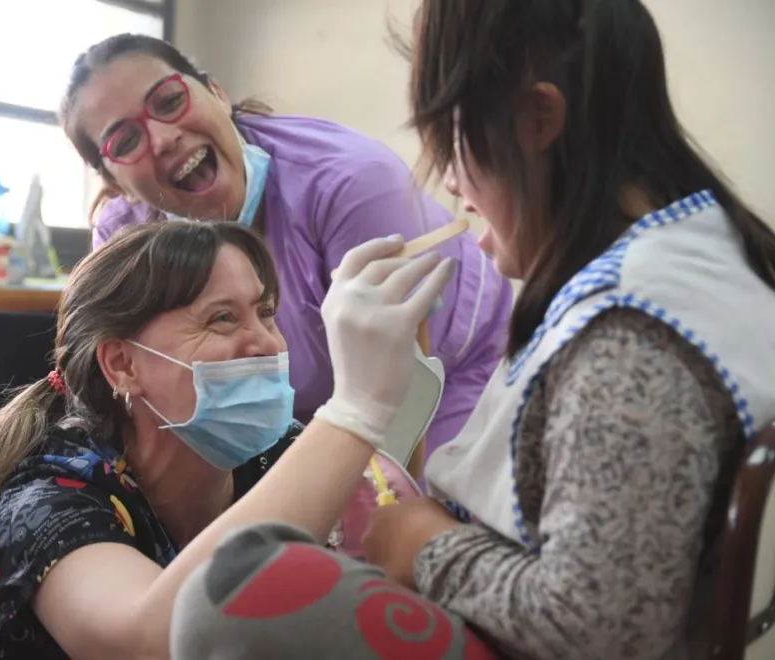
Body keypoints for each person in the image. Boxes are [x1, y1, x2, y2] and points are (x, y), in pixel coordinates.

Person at [167, 1, 775, 659]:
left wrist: (421, 541)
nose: (451, 182)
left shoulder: (631, 335)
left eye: (447, 140)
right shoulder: (718, 249)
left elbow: (600, 627)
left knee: (223, 591)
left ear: (538, 119)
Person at [0, 219, 465, 660]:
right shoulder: (50, 502)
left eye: (265, 313)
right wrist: (357, 409)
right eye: (223, 319)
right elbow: (150, 642)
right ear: (122, 365)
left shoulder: (278, 457)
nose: (266, 343)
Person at [60, 33, 513, 469]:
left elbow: (400, 393)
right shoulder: (127, 238)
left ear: (217, 93)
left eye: (169, 100)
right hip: (307, 415)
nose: (162, 138)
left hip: (450, 369)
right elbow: (137, 398)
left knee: (402, 522)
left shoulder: (349, 182)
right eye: (125, 142)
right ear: (116, 182)